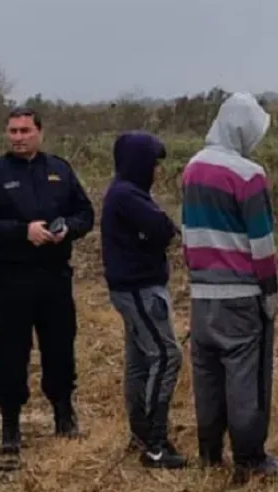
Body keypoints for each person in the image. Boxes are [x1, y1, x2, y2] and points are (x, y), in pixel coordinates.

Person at [0, 107, 95, 455]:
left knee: (60, 349)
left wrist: (68, 227)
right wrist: (23, 232)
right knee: (11, 352)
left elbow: (86, 214)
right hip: (11, 279)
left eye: (24, 131)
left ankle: (64, 417)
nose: (18, 137)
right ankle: (10, 425)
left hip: (54, 277)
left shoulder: (59, 170)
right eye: (12, 131)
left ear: (39, 132)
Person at [181, 91, 278, 483]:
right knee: (246, 378)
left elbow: (187, 232)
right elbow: (261, 243)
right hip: (241, 295)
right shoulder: (248, 174)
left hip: (201, 293)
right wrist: (270, 292)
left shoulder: (192, 167)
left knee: (206, 375)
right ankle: (250, 458)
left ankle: (210, 454)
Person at [100, 131, 185, 469]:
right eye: (153, 163)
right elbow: (164, 229)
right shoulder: (129, 196)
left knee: (140, 360)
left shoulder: (126, 192)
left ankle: (141, 433)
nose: (157, 170)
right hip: (140, 288)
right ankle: (155, 442)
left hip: (131, 288)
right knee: (166, 356)